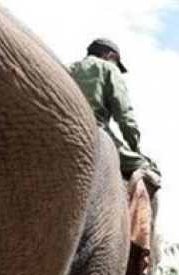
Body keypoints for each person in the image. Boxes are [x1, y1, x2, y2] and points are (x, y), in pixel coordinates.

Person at [68, 38, 162, 190]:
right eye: (117, 63)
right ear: (110, 56)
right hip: (93, 130)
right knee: (150, 171)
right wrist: (135, 148)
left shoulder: (68, 68)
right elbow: (124, 115)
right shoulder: (109, 69)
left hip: (60, 126)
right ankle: (133, 214)